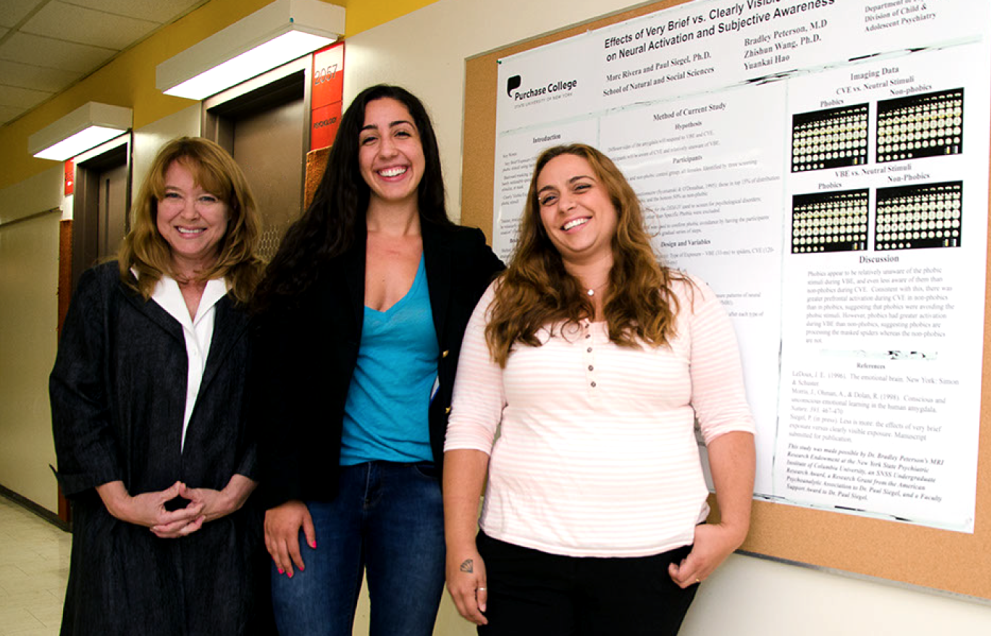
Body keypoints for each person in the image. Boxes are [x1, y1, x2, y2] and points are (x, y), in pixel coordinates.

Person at [443, 143, 756, 636]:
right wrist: (460, 547)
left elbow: (727, 421)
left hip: (651, 562)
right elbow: (470, 424)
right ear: (540, 219)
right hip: (519, 557)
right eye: (548, 197)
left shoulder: (686, 299)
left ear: (614, 198)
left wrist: (734, 527)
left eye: (580, 187)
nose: (565, 203)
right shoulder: (503, 299)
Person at [250, 84, 504, 636]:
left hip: (419, 491)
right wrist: (281, 492)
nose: (387, 151)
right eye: (370, 139)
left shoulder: (462, 254)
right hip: (319, 491)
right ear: (353, 157)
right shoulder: (313, 247)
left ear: (424, 148)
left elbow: (529, 318)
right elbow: (274, 376)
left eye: (401, 133)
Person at [50, 137, 271, 635]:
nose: (189, 212)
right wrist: (121, 501)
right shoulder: (108, 290)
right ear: (153, 207)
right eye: (173, 195)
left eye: (208, 198)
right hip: (122, 536)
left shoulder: (261, 297)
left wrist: (236, 493)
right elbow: (74, 400)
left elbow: (278, 405)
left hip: (226, 540)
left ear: (232, 211)